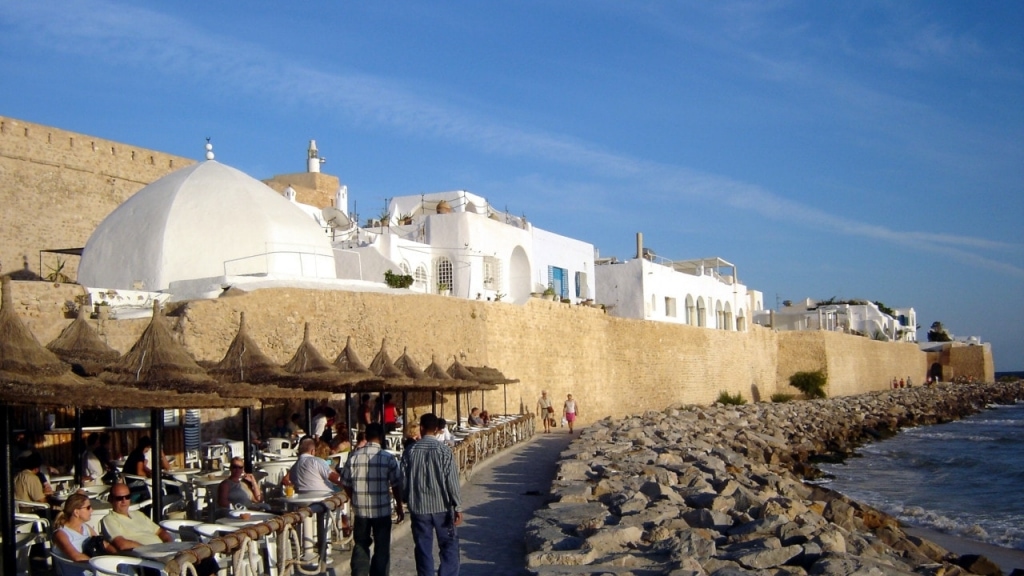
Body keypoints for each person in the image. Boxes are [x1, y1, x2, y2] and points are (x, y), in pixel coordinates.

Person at [102, 483, 218, 576]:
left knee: (204, 557)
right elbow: (121, 544)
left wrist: (168, 544)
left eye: (127, 497)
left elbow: (160, 532)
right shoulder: (110, 519)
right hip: (146, 559)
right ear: (111, 499)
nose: (124, 501)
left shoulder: (138, 514)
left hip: (164, 552)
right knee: (188, 566)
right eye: (119, 498)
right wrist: (150, 549)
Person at [341, 423, 405, 576]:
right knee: (382, 547)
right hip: (382, 509)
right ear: (382, 438)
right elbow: (396, 483)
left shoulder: (354, 457)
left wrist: (353, 498)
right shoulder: (388, 458)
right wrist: (399, 505)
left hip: (361, 511)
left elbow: (345, 482)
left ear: (366, 436)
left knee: (361, 545)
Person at [403, 413, 462, 576]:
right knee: (449, 546)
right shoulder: (444, 451)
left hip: (419, 507)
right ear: (437, 430)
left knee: (423, 548)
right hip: (442, 506)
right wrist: (458, 505)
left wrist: (405, 498)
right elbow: (452, 480)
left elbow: (404, 479)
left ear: (421, 428)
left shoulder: (410, 451)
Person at [53, 493, 114, 567]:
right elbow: (76, 557)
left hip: (94, 569)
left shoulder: (86, 528)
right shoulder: (61, 534)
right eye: (88, 507)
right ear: (76, 512)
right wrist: (101, 565)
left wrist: (117, 556)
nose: (92, 510)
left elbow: (104, 544)